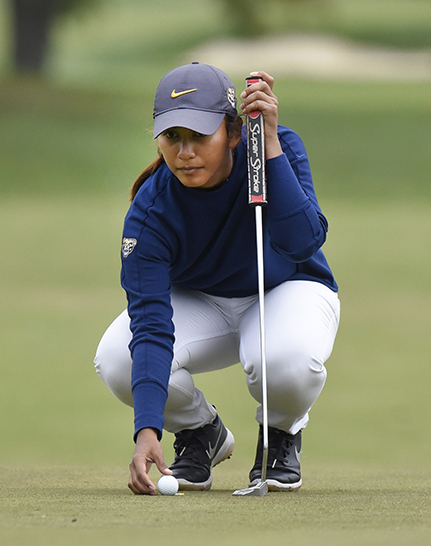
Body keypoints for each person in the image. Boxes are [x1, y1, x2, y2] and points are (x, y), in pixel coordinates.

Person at [94, 62, 340, 495]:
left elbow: (303, 242)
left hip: (287, 288)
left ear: (232, 132)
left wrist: (269, 150)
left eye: (199, 136)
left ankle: (279, 434)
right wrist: (146, 430)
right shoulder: (150, 212)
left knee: (285, 360)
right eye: (172, 137)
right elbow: (150, 324)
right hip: (203, 303)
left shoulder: (274, 150)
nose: (185, 152)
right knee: (118, 358)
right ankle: (200, 431)